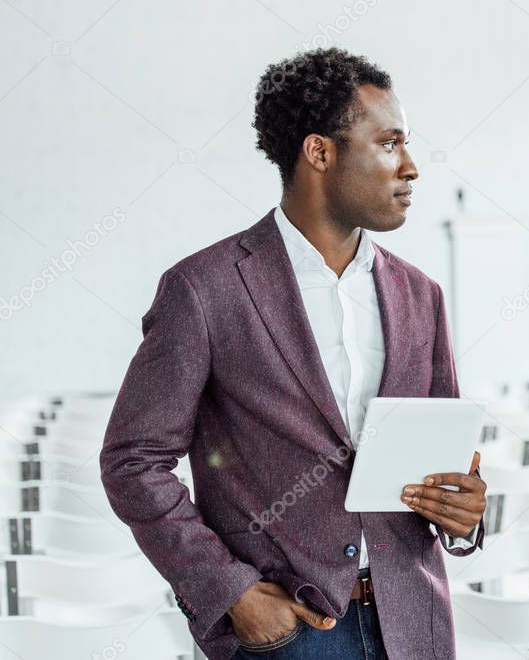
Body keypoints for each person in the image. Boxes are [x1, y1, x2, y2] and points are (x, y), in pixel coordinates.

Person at [100, 48, 486, 660]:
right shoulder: (205, 289)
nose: (411, 166)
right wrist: (230, 591)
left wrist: (464, 509)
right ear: (320, 153)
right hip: (287, 631)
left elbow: (445, 461)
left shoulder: (421, 295)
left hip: (414, 625)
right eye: (389, 144)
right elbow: (133, 461)